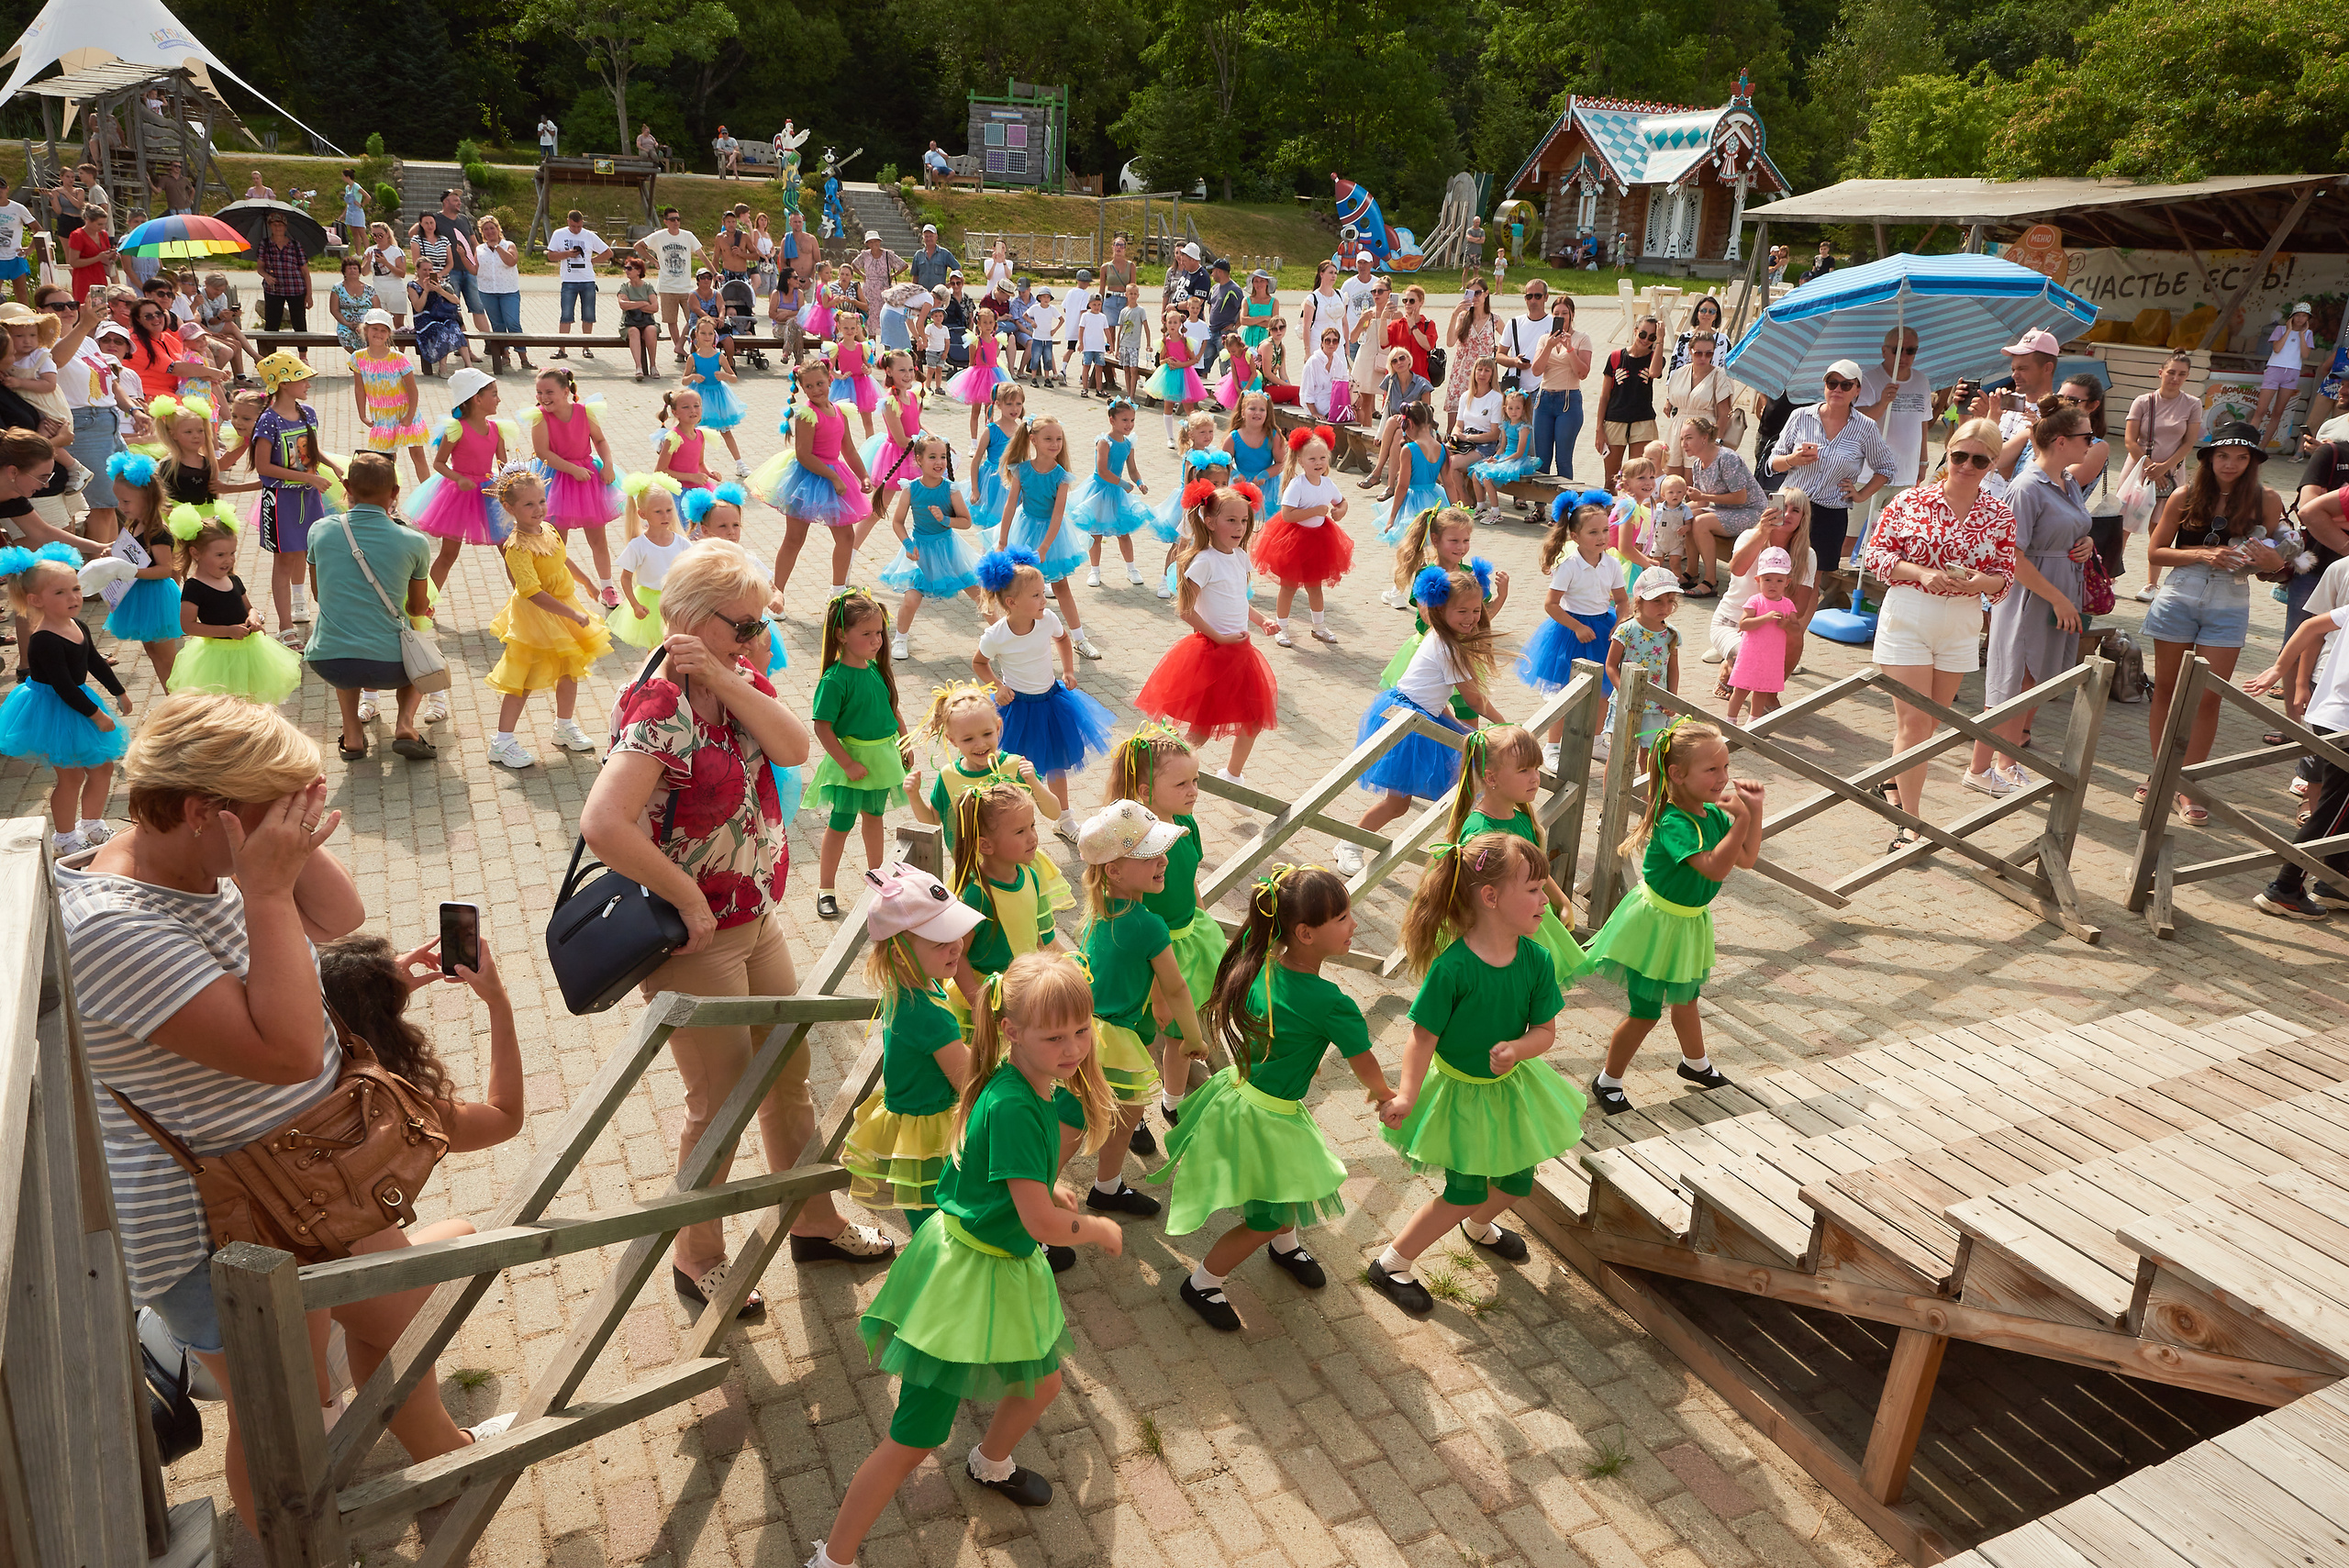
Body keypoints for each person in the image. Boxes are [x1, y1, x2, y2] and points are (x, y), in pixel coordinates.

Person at [62, 695, 518, 1531]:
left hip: (305, 1174)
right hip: (219, 1215)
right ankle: (294, 1544)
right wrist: (267, 890)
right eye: (285, 816)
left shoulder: (199, 863)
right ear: (205, 813)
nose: (303, 834)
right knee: (286, 1408)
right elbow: (283, 1052)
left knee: (397, 1316)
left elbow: (339, 918)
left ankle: (445, 1468)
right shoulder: (112, 928)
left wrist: (286, 830)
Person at [583, 540, 894, 1312]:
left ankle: (812, 1221)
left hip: (755, 915)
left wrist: (729, 671)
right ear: (688, 618)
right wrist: (687, 897)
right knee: (717, 1104)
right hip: (696, 937)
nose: (759, 637)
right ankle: (697, 1257)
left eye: (761, 623)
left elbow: (790, 748)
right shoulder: (661, 704)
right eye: (744, 623)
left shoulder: (735, 677)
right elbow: (604, 824)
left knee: (788, 1079)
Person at [1159, 863, 1384, 1329]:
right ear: (1304, 932)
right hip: (1265, 1118)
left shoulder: (1258, 963)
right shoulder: (1331, 1002)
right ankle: (1202, 1282)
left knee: (1288, 1182)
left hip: (1242, 1100)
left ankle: (1285, 1245)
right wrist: (1385, 1095)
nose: (1354, 925)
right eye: (1341, 918)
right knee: (1262, 1216)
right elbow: (1364, 1061)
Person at [1365, 832, 1581, 1314]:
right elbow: (1422, 1038)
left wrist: (1519, 1048)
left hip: (1509, 1090)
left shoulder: (1537, 959)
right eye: (1533, 889)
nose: (1545, 898)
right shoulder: (1454, 968)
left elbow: (1545, 1031)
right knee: (1463, 1191)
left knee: (1517, 1180)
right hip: (1458, 1096)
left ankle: (1477, 1227)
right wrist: (1405, 1095)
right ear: (1491, 897)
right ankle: (1392, 1262)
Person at [1578, 723, 1762, 1115]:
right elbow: (1713, 868)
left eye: (1725, 766)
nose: (1723, 777)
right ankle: (1607, 1080)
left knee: (1687, 999)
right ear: (1678, 774)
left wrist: (1755, 812)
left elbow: (1745, 858)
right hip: (1655, 926)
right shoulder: (1674, 822)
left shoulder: (1711, 815)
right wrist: (1743, 821)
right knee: (1645, 1013)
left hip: (1688, 922)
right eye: (1711, 770)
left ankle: (1695, 1064)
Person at [1864, 420, 2017, 840]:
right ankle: (1909, 824)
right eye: (1959, 456)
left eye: (1979, 459)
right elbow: (1874, 555)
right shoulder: (1909, 501)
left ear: (1993, 463)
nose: (1967, 465)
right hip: (1909, 612)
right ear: (1947, 454)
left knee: (1930, 727)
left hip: (1962, 619)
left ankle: (1893, 782)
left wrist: (1977, 581)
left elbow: (2004, 576)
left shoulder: (2000, 514)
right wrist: (1921, 573)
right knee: (1915, 725)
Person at [2140, 421, 2287, 823]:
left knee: (2207, 697)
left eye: (2242, 457)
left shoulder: (2267, 500)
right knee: (2167, 690)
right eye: (2223, 455)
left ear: (2254, 462)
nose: (2231, 464)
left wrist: (2275, 564)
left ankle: (2187, 785)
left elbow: (2275, 562)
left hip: (2230, 600)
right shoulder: (2186, 494)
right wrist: (2201, 555)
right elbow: (2155, 553)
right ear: (2208, 458)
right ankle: (2160, 776)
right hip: (2179, 595)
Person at [1970, 404, 2099, 795]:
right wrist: (2058, 598)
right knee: (2012, 677)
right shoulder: (2026, 487)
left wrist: (2086, 543)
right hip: (2033, 591)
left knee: (2035, 679)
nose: (2092, 444)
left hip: (2061, 585)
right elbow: (2012, 555)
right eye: (2086, 437)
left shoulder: (2068, 482)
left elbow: (2076, 523)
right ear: (2061, 442)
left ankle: (2007, 762)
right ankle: (1978, 767)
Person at [305, 454, 437, 761]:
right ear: (395, 492)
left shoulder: (320, 530)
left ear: (347, 486)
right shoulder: (414, 542)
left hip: (330, 661)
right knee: (422, 659)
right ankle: (404, 725)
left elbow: (318, 594)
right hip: (390, 667)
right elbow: (417, 608)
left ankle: (352, 735)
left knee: (345, 648)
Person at [482, 466, 607, 768]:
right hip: (536, 616)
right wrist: (572, 613)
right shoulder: (516, 547)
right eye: (529, 504)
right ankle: (502, 741)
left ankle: (564, 726)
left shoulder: (547, 529)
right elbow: (531, 592)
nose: (538, 509)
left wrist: (586, 580)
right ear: (509, 508)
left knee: (569, 669)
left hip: (562, 607)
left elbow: (562, 558)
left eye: (541, 501)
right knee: (521, 678)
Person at [807, 588, 909, 919]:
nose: (877, 640)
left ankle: (876, 877)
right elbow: (823, 727)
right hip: (851, 763)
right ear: (842, 634)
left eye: (879, 632)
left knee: (875, 818)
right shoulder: (835, 679)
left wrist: (905, 742)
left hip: (881, 760)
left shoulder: (876, 669)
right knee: (840, 822)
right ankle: (826, 888)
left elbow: (892, 710)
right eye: (867, 633)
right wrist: (847, 763)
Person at [1767, 359, 1897, 565]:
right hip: (1789, 505)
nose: (1837, 389)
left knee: (1811, 580)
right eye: (1832, 383)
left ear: (1857, 390)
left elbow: (1887, 467)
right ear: (1824, 386)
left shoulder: (1866, 427)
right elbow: (1772, 463)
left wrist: (1861, 495)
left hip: (1830, 512)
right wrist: (1793, 459)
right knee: (1773, 568)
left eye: (1846, 385)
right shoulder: (1800, 415)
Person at [2126, 350, 2204, 603]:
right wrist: (2149, 465)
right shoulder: (2143, 401)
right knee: (2124, 524)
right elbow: (2129, 439)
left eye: (2182, 374)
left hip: (2171, 473)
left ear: (2187, 377)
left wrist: (2165, 468)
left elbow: (2188, 443)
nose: (2175, 378)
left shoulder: (2192, 403)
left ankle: (2151, 584)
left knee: (2159, 528)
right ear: (2161, 372)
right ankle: (2109, 576)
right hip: (2138, 469)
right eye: (2171, 372)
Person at [1855, 328, 1931, 551]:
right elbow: (1857, 420)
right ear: (1884, 351)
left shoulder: (1921, 380)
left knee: (1890, 541)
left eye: (1911, 350)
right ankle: (1834, 587)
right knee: (1853, 540)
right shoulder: (1869, 379)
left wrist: (1923, 462)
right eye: (1898, 350)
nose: (1905, 356)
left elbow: (1924, 422)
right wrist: (1882, 403)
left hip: (1906, 475)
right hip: (1870, 474)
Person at [1528, 293, 1590, 480]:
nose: (1561, 317)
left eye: (1565, 313)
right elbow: (1536, 370)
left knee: (1563, 459)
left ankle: (1566, 506)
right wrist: (1548, 346)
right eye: (1557, 314)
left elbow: (1583, 373)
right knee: (1541, 459)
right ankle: (1539, 507)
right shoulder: (1544, 339)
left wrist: (1570, 348)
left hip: (1568, 401)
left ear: (1572, 315)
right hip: (1545, 400)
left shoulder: (1581, 338)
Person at [1598, 316, 1664, 490]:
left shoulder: (1655, 357)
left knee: (1637, 478)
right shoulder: (1616, 357)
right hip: (1614, 421)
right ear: (1635, 331)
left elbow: (1655, 372)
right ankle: (1609, 516)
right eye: (1642, 334)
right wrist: (1599, 428)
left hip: (1643, 422)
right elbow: (1604, 396)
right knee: (1612, 481)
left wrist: (1661, 341)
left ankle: (1633, 516)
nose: (1646, 340)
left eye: (1652, 337)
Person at [1659, 333, 1731, 482]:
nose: (1703, 358)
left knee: (1693, 481)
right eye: (1698, 353)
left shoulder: (1720, 376)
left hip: (1703, 430)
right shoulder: (1680, 373)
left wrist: (1717, 441)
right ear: (1690, 350)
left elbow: (1724, 413)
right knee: (1671, 481)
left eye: (1709, 353)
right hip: (1678, 428)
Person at [637, 209, 705, 361]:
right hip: (667, 286)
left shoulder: (687, 235)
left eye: (678, 219)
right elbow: (638, 246)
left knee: (693, 320)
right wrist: (653, 260)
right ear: (666, 221)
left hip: (686, 287)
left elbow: (701, 254)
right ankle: (680, 352)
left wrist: (714, 272)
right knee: (671, 320)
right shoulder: (659, 236)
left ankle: (681, 345)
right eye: (672, 219)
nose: (676, 222)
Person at [546, 210, 608, 360]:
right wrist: (567, 254)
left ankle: (586, 347)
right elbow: (550, 255)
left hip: (587, 280)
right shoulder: (559, 234)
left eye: (579, 227)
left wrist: (592, 261)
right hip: (568, 281)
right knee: (566, 315)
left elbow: (608, 252)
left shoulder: (589, 235)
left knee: (588, 315)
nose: (576, 230)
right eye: (573, 226)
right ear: (568, 221)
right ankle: (561, 348)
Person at [473, 215, 530, 372]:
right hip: (488, 291)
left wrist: (497, 247)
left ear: (498, 229)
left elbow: (511, 262)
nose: (490, 231)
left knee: (512, 322)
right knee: (497, 325)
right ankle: (505, 356)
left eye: (492, 228)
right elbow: (474, 269)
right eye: (486, 229)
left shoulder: (508, 245)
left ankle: (523, 357)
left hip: (508, 291)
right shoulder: (479, 249)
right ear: (482, 232)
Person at [2258, 303, 2317, 451]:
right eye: (2297, 315)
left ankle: (2262, 447)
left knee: (2278, 412)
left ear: (2308, 318)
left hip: (2292, 372)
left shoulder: (2308, 334)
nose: (2300, 318)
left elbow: (2305, 355)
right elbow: (2277, 349)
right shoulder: (2281, 329)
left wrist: (2302, 335)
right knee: (2261, 409)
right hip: (2274, 369)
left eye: (2304, 316)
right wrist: (2289, 330)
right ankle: (2249, 444)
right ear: (2292, 316)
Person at [253, 216, 312, 348]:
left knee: (299, 323)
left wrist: (309, 295)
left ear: (285, 227)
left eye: (280, 225)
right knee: (272, 323)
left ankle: (303, 355)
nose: (278, 228)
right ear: (270, 227)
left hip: (295, 288)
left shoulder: (295, 245)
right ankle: (270, 354)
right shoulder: (265, 244)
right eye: (274, 225)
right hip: (274, 289)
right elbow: (260, 268)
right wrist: (266, 276)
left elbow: (305, 272)